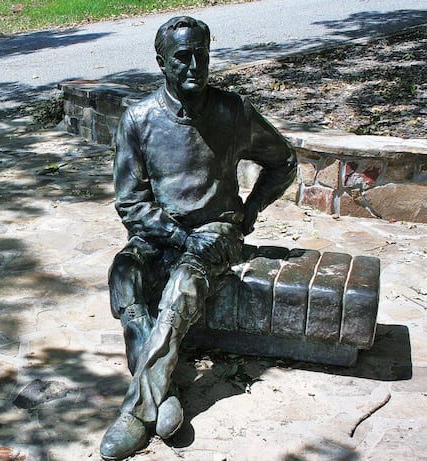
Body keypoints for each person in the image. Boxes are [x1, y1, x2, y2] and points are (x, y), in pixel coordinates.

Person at [101, 16, 297, 460]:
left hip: (215, 233)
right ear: (162, 63)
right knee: (123, 275)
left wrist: (248, 211)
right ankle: (162, 392)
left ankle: (135, 414)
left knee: (181, 288)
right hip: (162, 233)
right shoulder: (138, 119)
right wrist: (174, 236)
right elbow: (131, 204)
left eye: (201, 55)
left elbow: (283, 161)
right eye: (182, 57)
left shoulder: (234, 112)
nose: (194, 65)